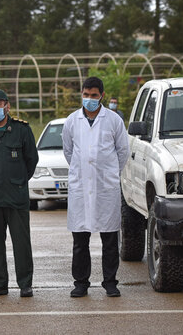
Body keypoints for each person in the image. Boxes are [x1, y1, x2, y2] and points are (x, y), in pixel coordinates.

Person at [62, 77, 130, 298]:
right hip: (81, 187)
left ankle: (110, 282)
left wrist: (109, 173)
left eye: (93, 95)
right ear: (81, 94)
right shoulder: (72, 121)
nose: (89, 99)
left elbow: (122, 151)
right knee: (80, 240)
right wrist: (84, 171)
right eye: (85, 94)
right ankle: (81, 283)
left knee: (109, 239)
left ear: (101, 95)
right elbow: (69, 151)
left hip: (105, 187)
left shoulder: (113, 120)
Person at [0, 88, 39, 298]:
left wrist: (19, 180)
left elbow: (32, 160)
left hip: (16, 195)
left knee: (21, 241)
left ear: (7, 106)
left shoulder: (22, 129)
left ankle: (25, 284)